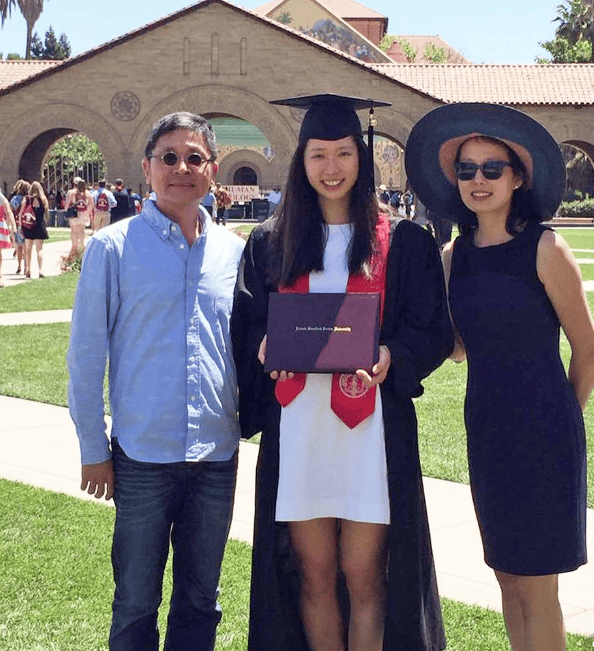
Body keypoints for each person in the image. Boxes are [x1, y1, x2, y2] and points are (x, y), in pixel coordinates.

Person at [231, 93, 453, 651]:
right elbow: (248, 324)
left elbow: (431, 330)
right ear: (301, 161)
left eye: (344, 153)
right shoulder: (271, 242)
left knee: (365, 574)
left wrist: (392, 356)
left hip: (371, 432)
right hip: (300, 429)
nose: (331, 168)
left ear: (362, 157)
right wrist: (263, 347)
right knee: (314, 574)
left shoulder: (402, 242)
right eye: (318, 155)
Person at [405, 102, 594, 651]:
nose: (479, 179)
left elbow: (588, 351)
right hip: (488, 432)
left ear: (518, 178)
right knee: (507, 578)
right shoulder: (455, 257)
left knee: (538, 587)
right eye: (467, 169)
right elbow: (457, 349)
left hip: (544, 436)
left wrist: (560, 423)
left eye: (492, 168)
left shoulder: (546, 248)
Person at [67, 111, 246, 651]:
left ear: (212, 169)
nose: (181, 168)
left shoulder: (234, 252)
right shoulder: (112, 248)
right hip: (142, 457)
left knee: (201, 601)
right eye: (169, 157)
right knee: (135, 603)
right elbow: (85, 356)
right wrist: (93, 448)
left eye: (194, 158)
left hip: (215, 455)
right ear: (147, 168)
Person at [19, 181, 50, 278]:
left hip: (29, 225)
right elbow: (46, 213)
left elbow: (21, 213)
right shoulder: (43, 199)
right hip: (39, 225)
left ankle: (28, 269)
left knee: (28, 249)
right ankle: (40, 270)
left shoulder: (27, 199)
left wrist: (20, 225)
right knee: (39, 249)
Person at [64, 177, 94, 257]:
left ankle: (74, 249)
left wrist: (67, 211)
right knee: (81, 232)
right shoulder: (87, 193)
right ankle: (81, 249)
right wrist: (86, 212)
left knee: (74, 232)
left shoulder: (72, 192)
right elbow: (91, 204)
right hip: (83, 215)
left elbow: (67, 204)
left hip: (74, 215)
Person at [10, 179, 30, 274]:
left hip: (17, 223)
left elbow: (10, 211)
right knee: (26, 246)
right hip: (27, 223)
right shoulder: (28, 199)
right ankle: (26, 266)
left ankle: (19, 266)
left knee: (18, 246)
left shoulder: (14, 199)